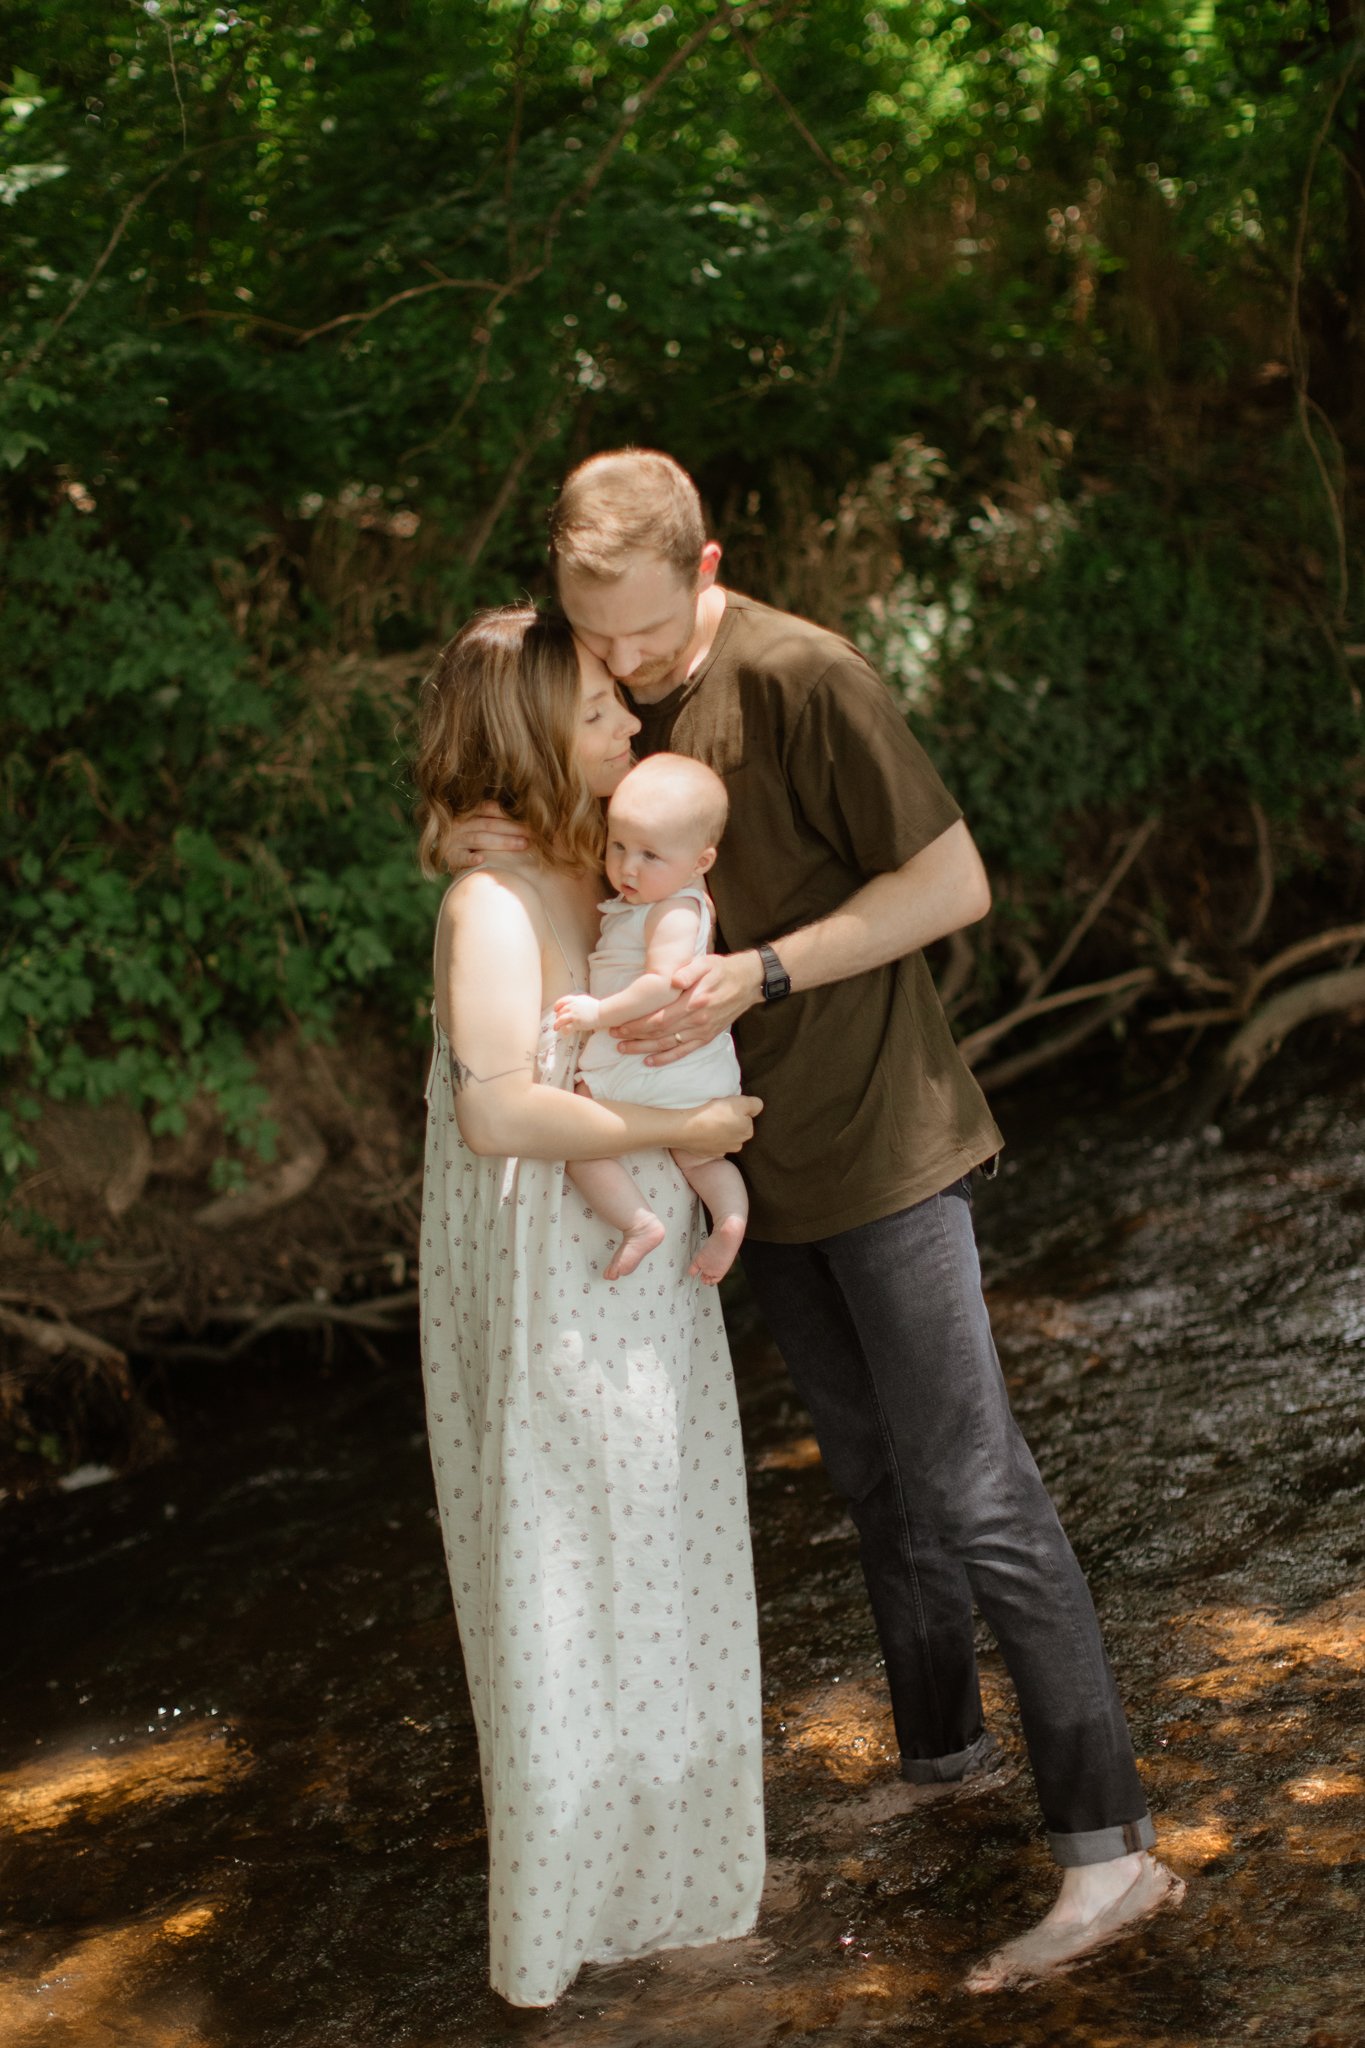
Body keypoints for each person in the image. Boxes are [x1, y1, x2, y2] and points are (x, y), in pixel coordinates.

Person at [454, 450, 1184, 1991]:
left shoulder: (807, 678)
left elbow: (956, 885)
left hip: (886, 1141)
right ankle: (944, 1768)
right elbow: (535, 775)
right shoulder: (605, 683)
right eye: (607, 650)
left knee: (976, 1490)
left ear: (707, 564)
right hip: (751, 1161)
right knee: (872, 1486)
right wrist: (484, 839)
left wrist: (761, 971)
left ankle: (1111, 1858)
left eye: (650, 639)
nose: (631, 676)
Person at [413, 603, 766, 2009]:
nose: (634, 727)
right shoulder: (488, 900)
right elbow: (501, 1115)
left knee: (656, 1551)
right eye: (607, 710)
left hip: (622, 1258)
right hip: (555, 1269)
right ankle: (568, 1925)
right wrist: (705, 1128)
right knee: (565, 1574)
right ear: (539, 734)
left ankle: (671, 1896)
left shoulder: (570, 857)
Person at [553, 751, 749, 1286]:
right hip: (683, 1070)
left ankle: (639, 1222)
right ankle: (729, 1218)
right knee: (699, 1160)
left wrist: (599, 1013)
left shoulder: (678, 908)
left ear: (701, 862)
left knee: (576, 1137)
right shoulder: (653, 898)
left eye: (649, 855)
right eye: (618, 846)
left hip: (651, 1060)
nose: (627, 867)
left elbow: (663, 982)